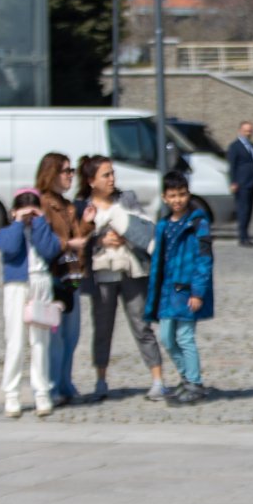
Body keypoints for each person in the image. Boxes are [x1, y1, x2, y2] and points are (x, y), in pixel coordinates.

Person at [79, 156, 166, 401]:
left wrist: (128, 234)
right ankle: (101, 380)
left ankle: (158, 380)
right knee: (102, 328)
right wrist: (99, 240)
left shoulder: (126, 198)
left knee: (141, 324)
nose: (111, 179)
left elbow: (145, 226)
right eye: (105, 175)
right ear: (91, 181)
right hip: (102, 274)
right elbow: (78, 239)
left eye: (112, 173)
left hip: (132, 270)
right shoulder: (84, 206)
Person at [146, 172, 214, 403]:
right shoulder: (164, 225)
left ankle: (194, 382)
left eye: (182, 195)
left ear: (188, 194)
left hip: (186, 291)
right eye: (172, 196)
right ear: (165, 197)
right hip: (167, 292)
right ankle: (187, 377)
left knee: (185, 337)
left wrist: (198, 291)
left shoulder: (198, 223)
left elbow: (204, 260)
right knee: (166, 337)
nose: (178, 200)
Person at [0, 190, 62, 418]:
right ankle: (11, 394)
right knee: (15, 341)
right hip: (17, 286)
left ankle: (42, 392)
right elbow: (10, 248)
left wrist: (40, 222)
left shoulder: (42, 229)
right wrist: (17, 223)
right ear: (13, 211)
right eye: (23, 208)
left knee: (40, 342)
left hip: (41, 282)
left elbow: (50, 250)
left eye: (32, 208)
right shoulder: (6, 232)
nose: (28, 214)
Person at [35, 152, 94, 403]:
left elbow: (78, 241)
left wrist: (87, 224)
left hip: (71, 275)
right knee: (55, 338)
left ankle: (65, 382)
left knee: (71, 336)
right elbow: (43, 241)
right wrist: (69, 242)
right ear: (52, 174)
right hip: (53, 276)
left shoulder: (68, 205)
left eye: (71, 171)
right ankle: (52, 387)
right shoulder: (43, 204)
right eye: (66, 171)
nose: (71, 175)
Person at [226, 121, 253, 247]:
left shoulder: (252, 145)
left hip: (251, 182)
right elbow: (232, 166)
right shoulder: (234, 146)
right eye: (246, 130)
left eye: (250, 130)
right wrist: (233, 182)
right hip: (241, 183)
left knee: (249, 210)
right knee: (243, 210)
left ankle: (246, 235)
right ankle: (242, 237)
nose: (249, 133)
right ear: (240, 131)